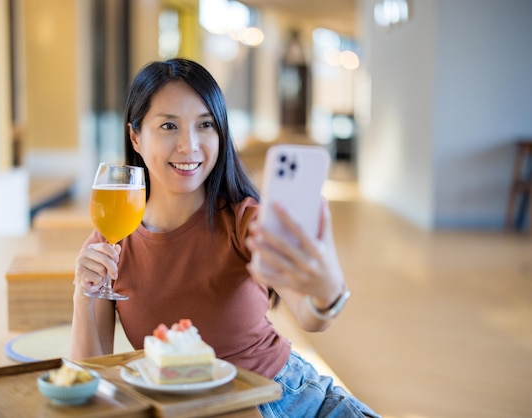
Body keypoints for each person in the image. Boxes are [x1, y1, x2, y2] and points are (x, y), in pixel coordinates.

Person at [71, 58, 379, 417]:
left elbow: (311, 316)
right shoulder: (111, 240)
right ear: (135, 136)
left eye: (205, 125)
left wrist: (327, 293)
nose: (189, 145)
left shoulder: (243, 219)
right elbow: (89, 379)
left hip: (293, 398)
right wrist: (83, 293)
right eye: (169, 125)